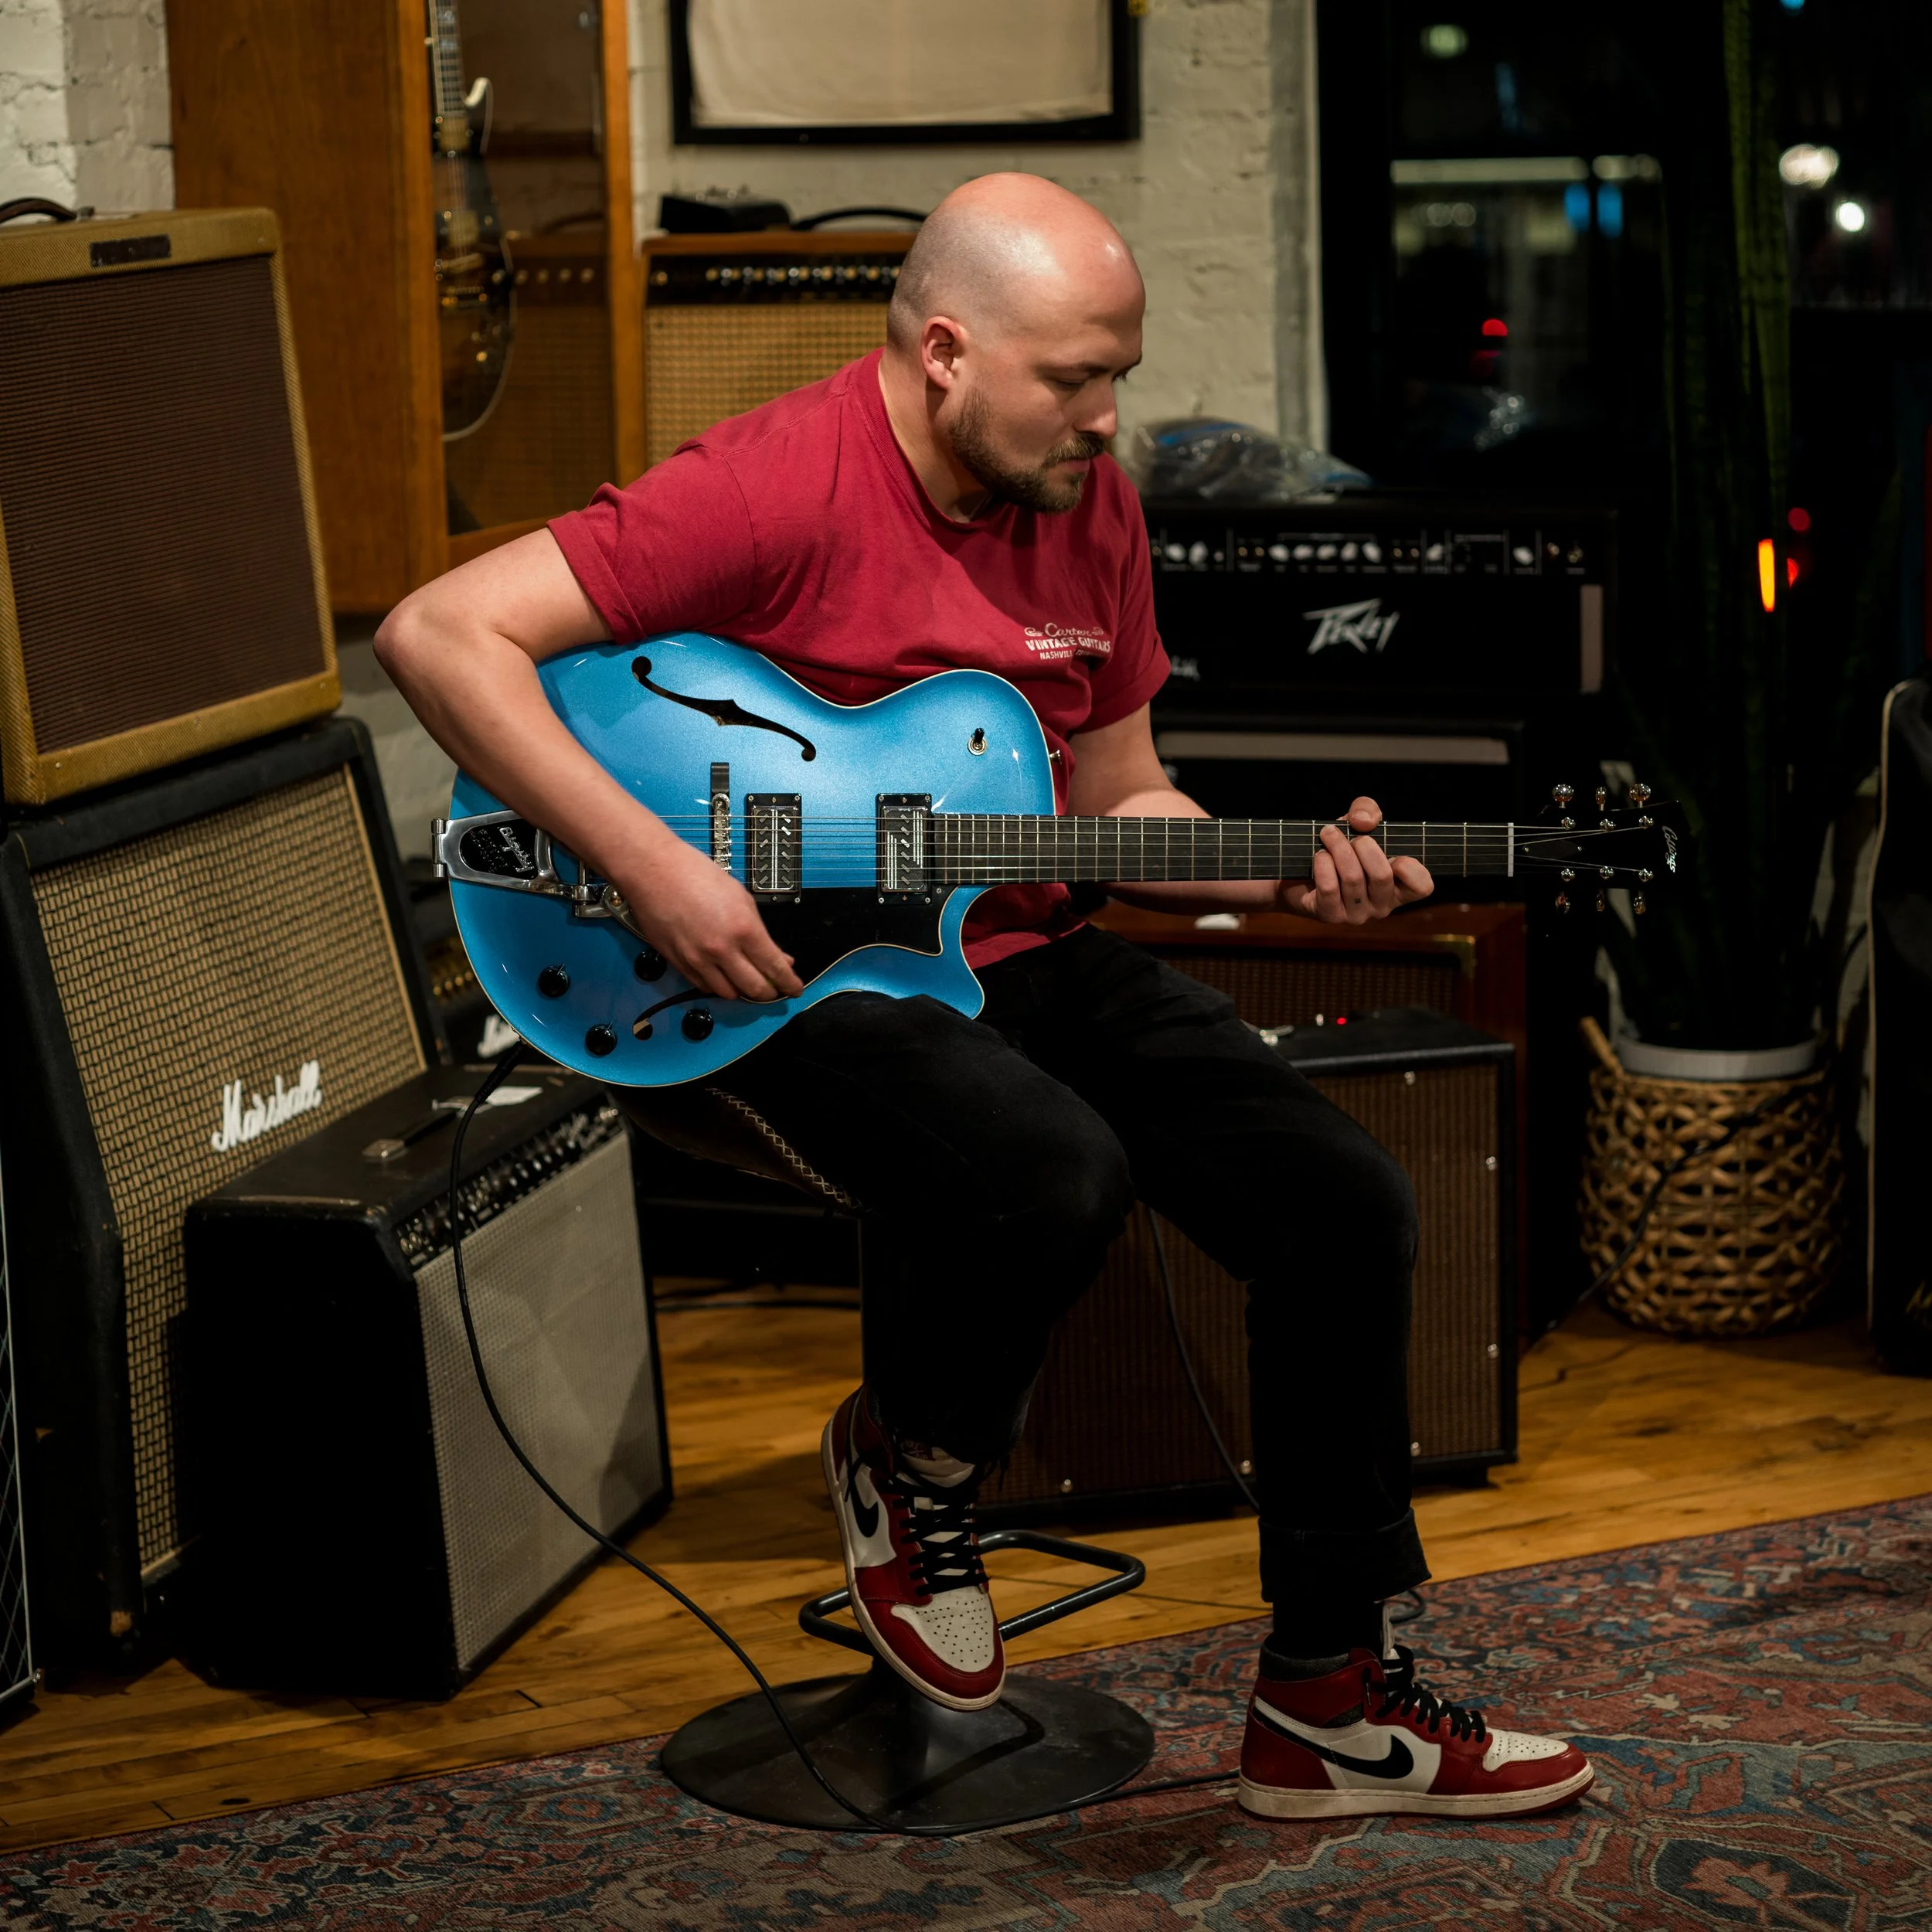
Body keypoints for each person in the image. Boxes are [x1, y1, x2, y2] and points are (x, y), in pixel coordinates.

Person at [377, 173, 1592, 1821]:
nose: (1107, 417)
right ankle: (915, 1460)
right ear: (943, 351)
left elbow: (1123, 801)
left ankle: (1322, 1695)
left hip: (1004, 943)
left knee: (1341, 1197)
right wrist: (655, 864)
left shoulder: (1091, 502)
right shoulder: (769, 483)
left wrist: (1278, 867)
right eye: (1071, 377)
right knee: (1047, 1165)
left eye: (1118, 375)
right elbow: (441, 632)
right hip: (761, 969)